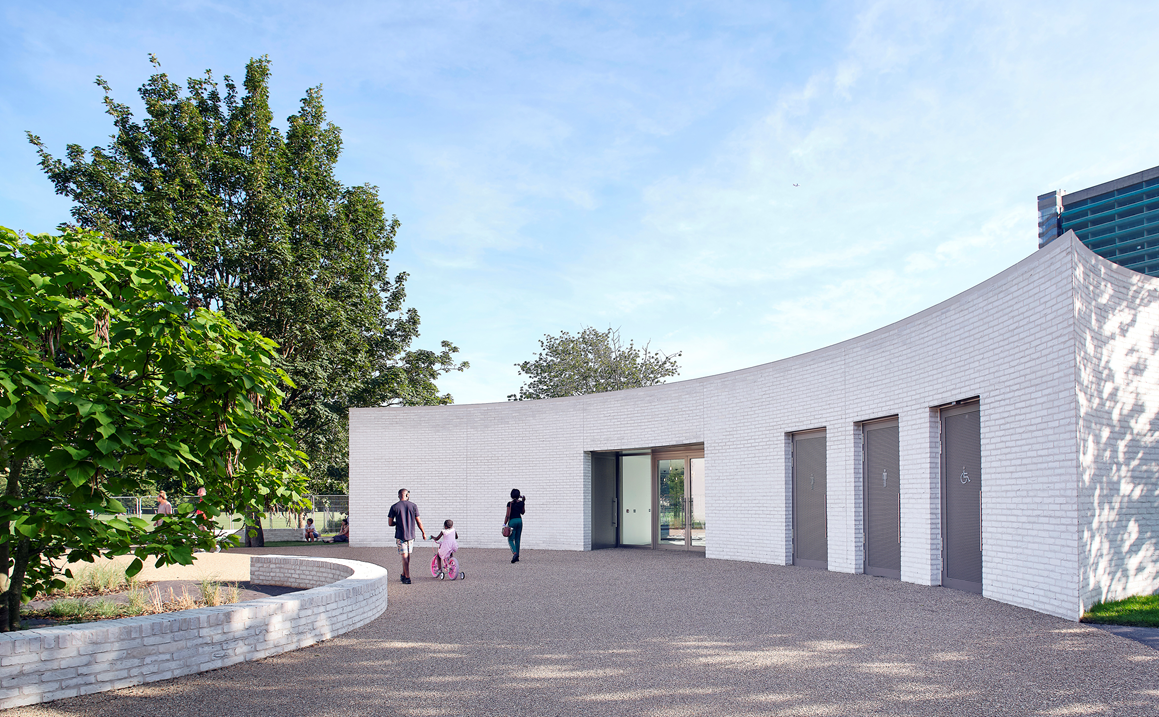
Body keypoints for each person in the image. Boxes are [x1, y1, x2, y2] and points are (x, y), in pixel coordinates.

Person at [387, 489, 426, 584]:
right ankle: (404, 574)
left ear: (399, 495)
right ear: (407, 495)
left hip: (400, 535)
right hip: (411, 534)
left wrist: (398, 523)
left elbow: (390, 523)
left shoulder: (394, 507)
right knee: (407, 555)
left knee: (404, 556)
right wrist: (423, 532)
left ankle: (407, 577)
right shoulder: (413, 506)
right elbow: (419, 521)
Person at [504, 489, 526, 563]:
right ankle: (517, 556)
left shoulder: (510, 503)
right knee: (517, 539)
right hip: (519, 520)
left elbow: (508, 515)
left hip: (512, 521)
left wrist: (504, 523)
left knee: (510, 539)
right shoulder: (521, 503)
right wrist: (523, 502)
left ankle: (515, 553)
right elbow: (523, 512)